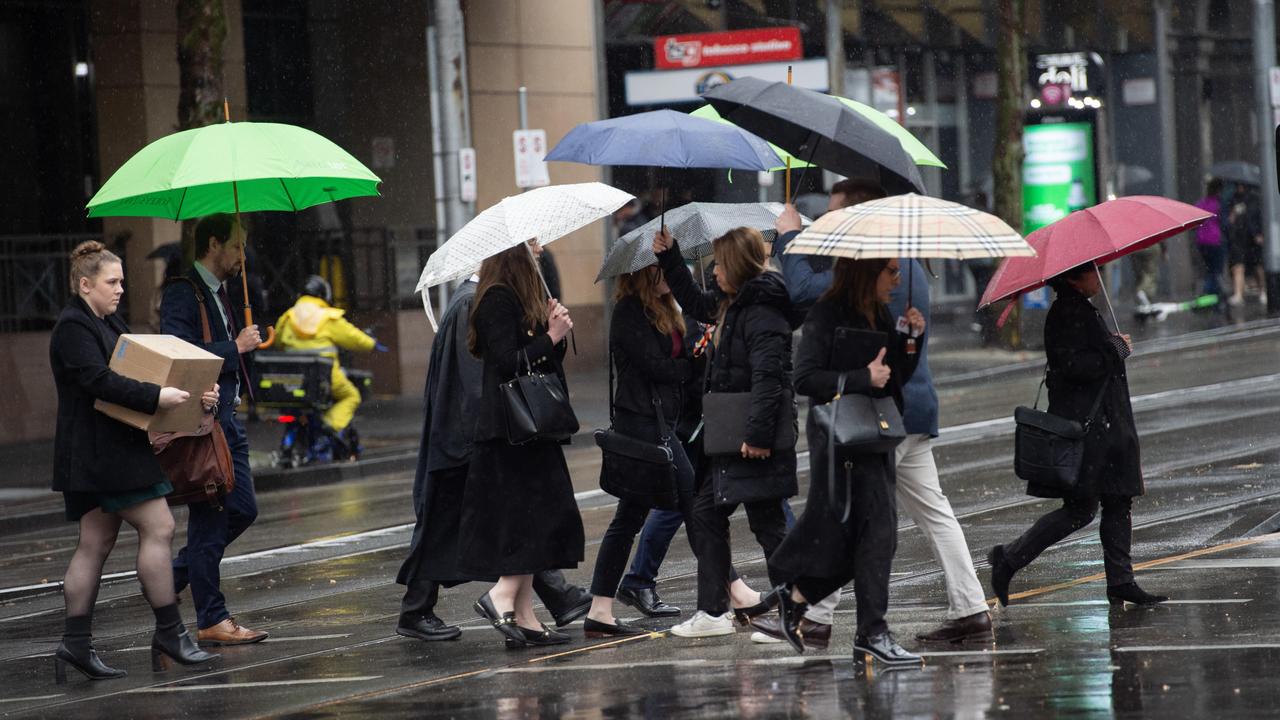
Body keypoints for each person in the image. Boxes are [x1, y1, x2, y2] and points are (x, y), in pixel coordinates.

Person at [761, 183, 994, 647]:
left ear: (859, 215)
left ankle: (812, 610)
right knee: (911, 515)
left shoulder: (879, 267)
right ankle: (967, 607)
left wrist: (788, 238)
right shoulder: (897, 263)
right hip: (901, 409)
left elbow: (806, 291)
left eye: (832, 213)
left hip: (881, 416)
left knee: (852, 518)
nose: (824, 222)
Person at [50, 241, 218, 681]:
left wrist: (195, 393)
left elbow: (140, 371)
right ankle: (170, 631)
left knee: (96, 543)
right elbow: (99, 381)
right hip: (102, 454)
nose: (121, 289)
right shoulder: (74, 326)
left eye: (122, 281)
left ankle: (75, 644)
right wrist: (157, 396)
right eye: (112, 282)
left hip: (101, 452)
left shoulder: (103, 321)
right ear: (85, 285)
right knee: (159, 526)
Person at [394, 274, 591, 642]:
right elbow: (476, 379)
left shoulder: (471, 299)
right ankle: (417, 608)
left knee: (501, 522)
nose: (539, 250)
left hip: (465, 435)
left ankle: (545, 601)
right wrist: (483, 439)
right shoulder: (475, 302)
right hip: (466, 438)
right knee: (457, 523)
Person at [767, 256, 926, 667]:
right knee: (875, 537)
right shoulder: (826, 313)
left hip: (875, 436)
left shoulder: (879, 314)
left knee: (869, 539)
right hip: (841, 443)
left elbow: (895, 376)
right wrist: (860, 378)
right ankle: (871, 632)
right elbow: (805, 378)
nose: (897, 278)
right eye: (890, 271)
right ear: (867, 273)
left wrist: (910, 340)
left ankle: (797, 598)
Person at [987, 261, 1168, 608]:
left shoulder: (1081, 308)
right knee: (1080, 509)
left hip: (1107, 426)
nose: (1099, 277)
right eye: (1093, 271)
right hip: (1090, 430)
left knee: (1117, 500)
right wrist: (1113, 351)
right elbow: (1073, 367)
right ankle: (1008, 559)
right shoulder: (1066, 313)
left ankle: (1121, 580)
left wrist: (1111, 348)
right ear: (1073, 276)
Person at [652, 226, 796, 638]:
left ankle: (795, 610)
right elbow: (696, 303)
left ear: (736, 265)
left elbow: (769, 380)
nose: (714, 270)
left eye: (719, 262)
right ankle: (717, 612)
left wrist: (757, 437)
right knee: (711, 514)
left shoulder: (762, 311)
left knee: (766, 525)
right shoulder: (734, 302)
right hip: (734, 435)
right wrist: (670, 256)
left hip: (751, 439)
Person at [459, 240, 586, 648]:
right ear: (514, 254)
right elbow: (508, 362)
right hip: (511, 432)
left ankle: (527, 616)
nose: (541, 250)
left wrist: (557, 331)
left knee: (537, 518)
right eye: (533, 245)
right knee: (531, 519)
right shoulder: (496, 298)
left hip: (532, 431)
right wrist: (550, 336)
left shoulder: (521, 296)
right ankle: (500, 595)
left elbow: (542, 359)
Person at [159, 214, 268, 646]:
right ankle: (212, 617)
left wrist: (247, 349)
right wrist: (233, 346)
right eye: (237, 246)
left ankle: (171, 576)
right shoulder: (184, 293)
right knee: (211, 518)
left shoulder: (222, 294)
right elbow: (177, 353)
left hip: (227, 420)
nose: (243, 256)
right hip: (204, 425)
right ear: (213, 245)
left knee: (243, 509)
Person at [585, 265, 710, 637]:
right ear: (642, 275)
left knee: (629, 518)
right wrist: (688, 364)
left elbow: (675, 362)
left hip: (660, 424)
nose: (675, 273)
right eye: (663, 269)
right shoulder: (628, 313)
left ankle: (600, 610)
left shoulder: (666, 308)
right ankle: (728, 593)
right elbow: (655, 367)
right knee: (692, 503)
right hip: (640, 426)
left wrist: (699, 349)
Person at [273, 275, 378, 439]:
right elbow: (354, 338)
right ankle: (328, 425)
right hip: (325, 377)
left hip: (295, 379)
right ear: (323, 295)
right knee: (351, 396)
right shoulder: (328, 317)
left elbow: (278, 342)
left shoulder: (288, 317)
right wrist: (371, 343)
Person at [1225, 183, 1266, 307]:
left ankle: (1263, 290)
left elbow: (1258, 217)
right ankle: (1238, 293)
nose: (1240, 187)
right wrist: (1234, 213)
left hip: (1252, 238)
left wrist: (1259, 234)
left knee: (1257, 266)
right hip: (1238, 238)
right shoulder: (1233, 200)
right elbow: (1229, 221)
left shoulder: (1254, 199)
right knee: (1238, 266)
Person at [1194, 179, 1226, 299]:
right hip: (1215, 241)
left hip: (1202, 241)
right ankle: (1214, 296)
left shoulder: (1201, 204)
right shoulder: (1219, 204)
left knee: (1208, 270)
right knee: (1216, 271)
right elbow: (1224, 223)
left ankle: (1207, 294)